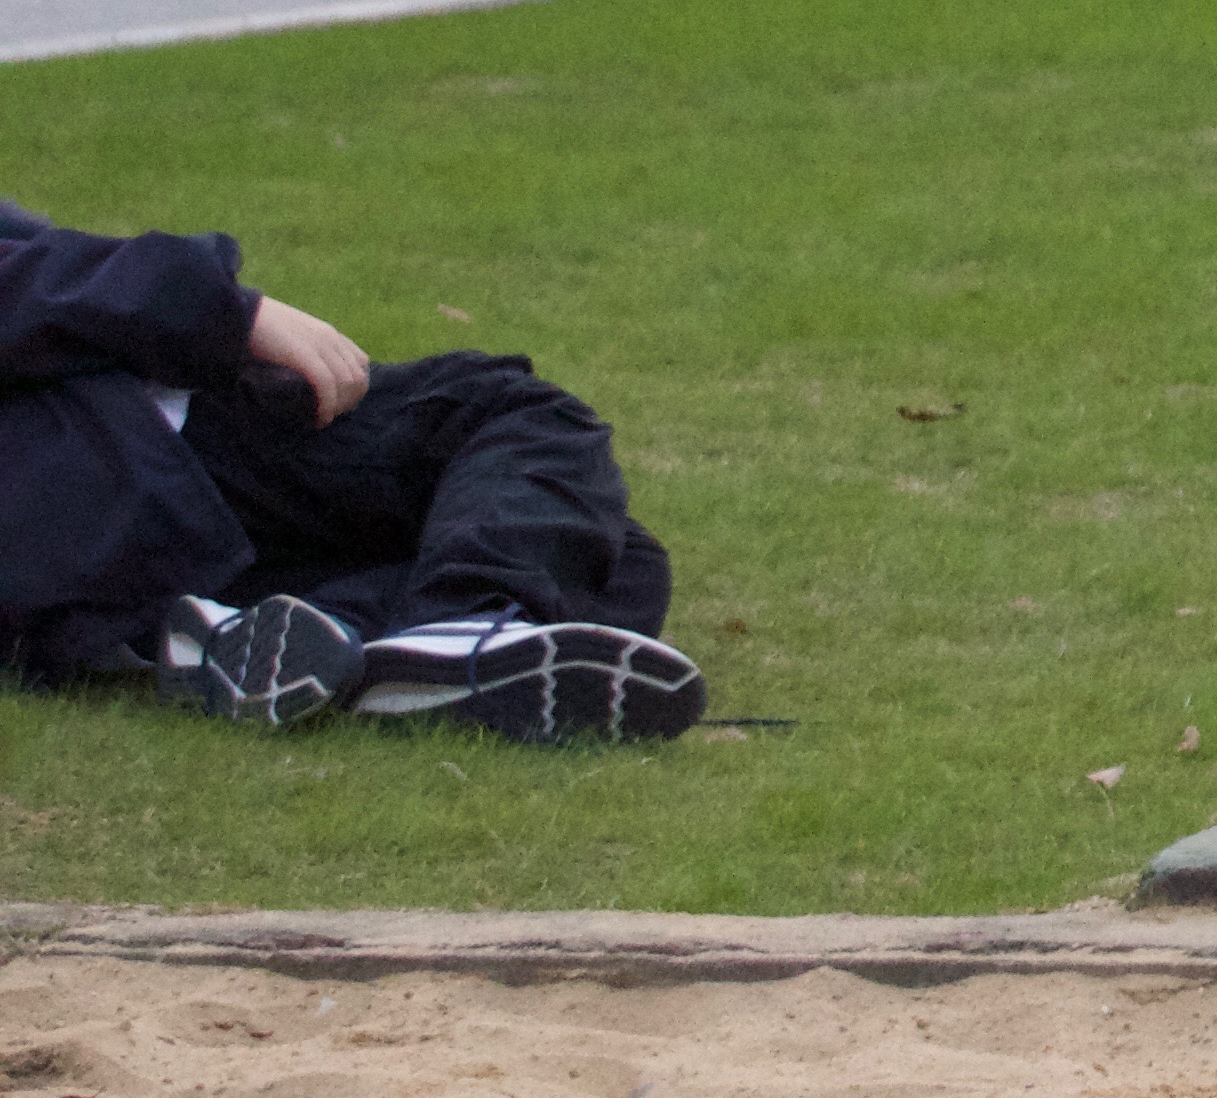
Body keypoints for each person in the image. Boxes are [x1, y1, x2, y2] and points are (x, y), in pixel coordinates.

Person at [1, 198, 702, 743]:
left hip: (86, 529)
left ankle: (274, 640)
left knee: (610, 556)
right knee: (507, 414)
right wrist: (222, 311)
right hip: (116, 454)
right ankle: (454, 634)